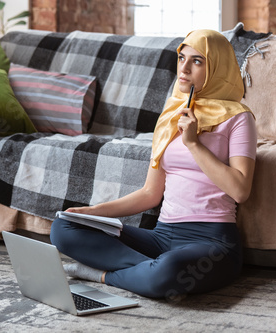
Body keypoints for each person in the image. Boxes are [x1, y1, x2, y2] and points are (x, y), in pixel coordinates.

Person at [50, 29, 257, 300]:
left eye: (197, 61)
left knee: (169, 271)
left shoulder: (239, 119)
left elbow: (240, 190)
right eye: (181, 58)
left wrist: (194, 144)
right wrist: (93, 211)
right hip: (161, 237)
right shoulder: (173, 114)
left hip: (212, 241)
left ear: (217, 67)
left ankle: (104, 274)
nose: (183, 68)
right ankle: (146, 271)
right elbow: (150, 193)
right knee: (63, 228)